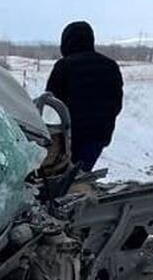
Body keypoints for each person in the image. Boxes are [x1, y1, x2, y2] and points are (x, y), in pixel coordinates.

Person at [46, 21, 123, 172]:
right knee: (81, 173)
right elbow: (117, 104)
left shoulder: (64, 66)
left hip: (69, 138)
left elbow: (51, 105)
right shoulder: (110, 66)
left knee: (62, 178)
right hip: (99, 136)